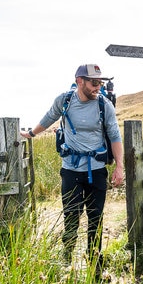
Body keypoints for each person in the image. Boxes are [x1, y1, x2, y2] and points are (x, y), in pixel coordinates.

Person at [21, 64, 125, 271]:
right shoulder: (65, 101)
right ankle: (66, 260)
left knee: (96, 218)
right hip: (70, 170)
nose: (98, 87)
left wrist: (119, 167)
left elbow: (115, 136)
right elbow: (49, 117)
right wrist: (32, 134)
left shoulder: (105, 105)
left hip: (96, 170)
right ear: (80, 81)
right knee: (71, 216)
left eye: (100, 83)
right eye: (94, 82)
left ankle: (95, 263)